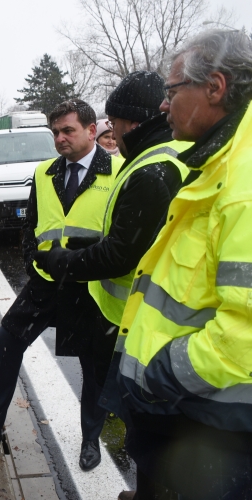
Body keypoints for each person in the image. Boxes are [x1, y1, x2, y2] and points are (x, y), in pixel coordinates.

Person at [99, 30, 252, 500]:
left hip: (213, 422)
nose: (163, 106)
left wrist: (162, 372)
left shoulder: (242, 184)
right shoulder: (216, 164)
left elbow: (244, 332)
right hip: (193, 415)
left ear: (215, 88)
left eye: (171, 91)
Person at [0, 100, 124, 472]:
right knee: (7, 340)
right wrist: (34, 259)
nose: (60, 139)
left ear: (91, 130)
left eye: (68, 131)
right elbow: (31, 228)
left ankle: (90, 439)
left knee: (93, 364)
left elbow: (121, 236)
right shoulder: (45, 172)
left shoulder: (118, 170)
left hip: (91, 285)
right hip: (47, 281)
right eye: (55, 133)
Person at [34, 70, 190, 333]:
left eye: (114, 122)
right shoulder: (168, 154)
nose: (113, 134)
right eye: (56, 132)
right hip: (143, 311)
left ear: (133, 123)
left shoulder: (150, 171)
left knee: (103, 373)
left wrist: (62, 262)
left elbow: (120, 254)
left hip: (139, 316)